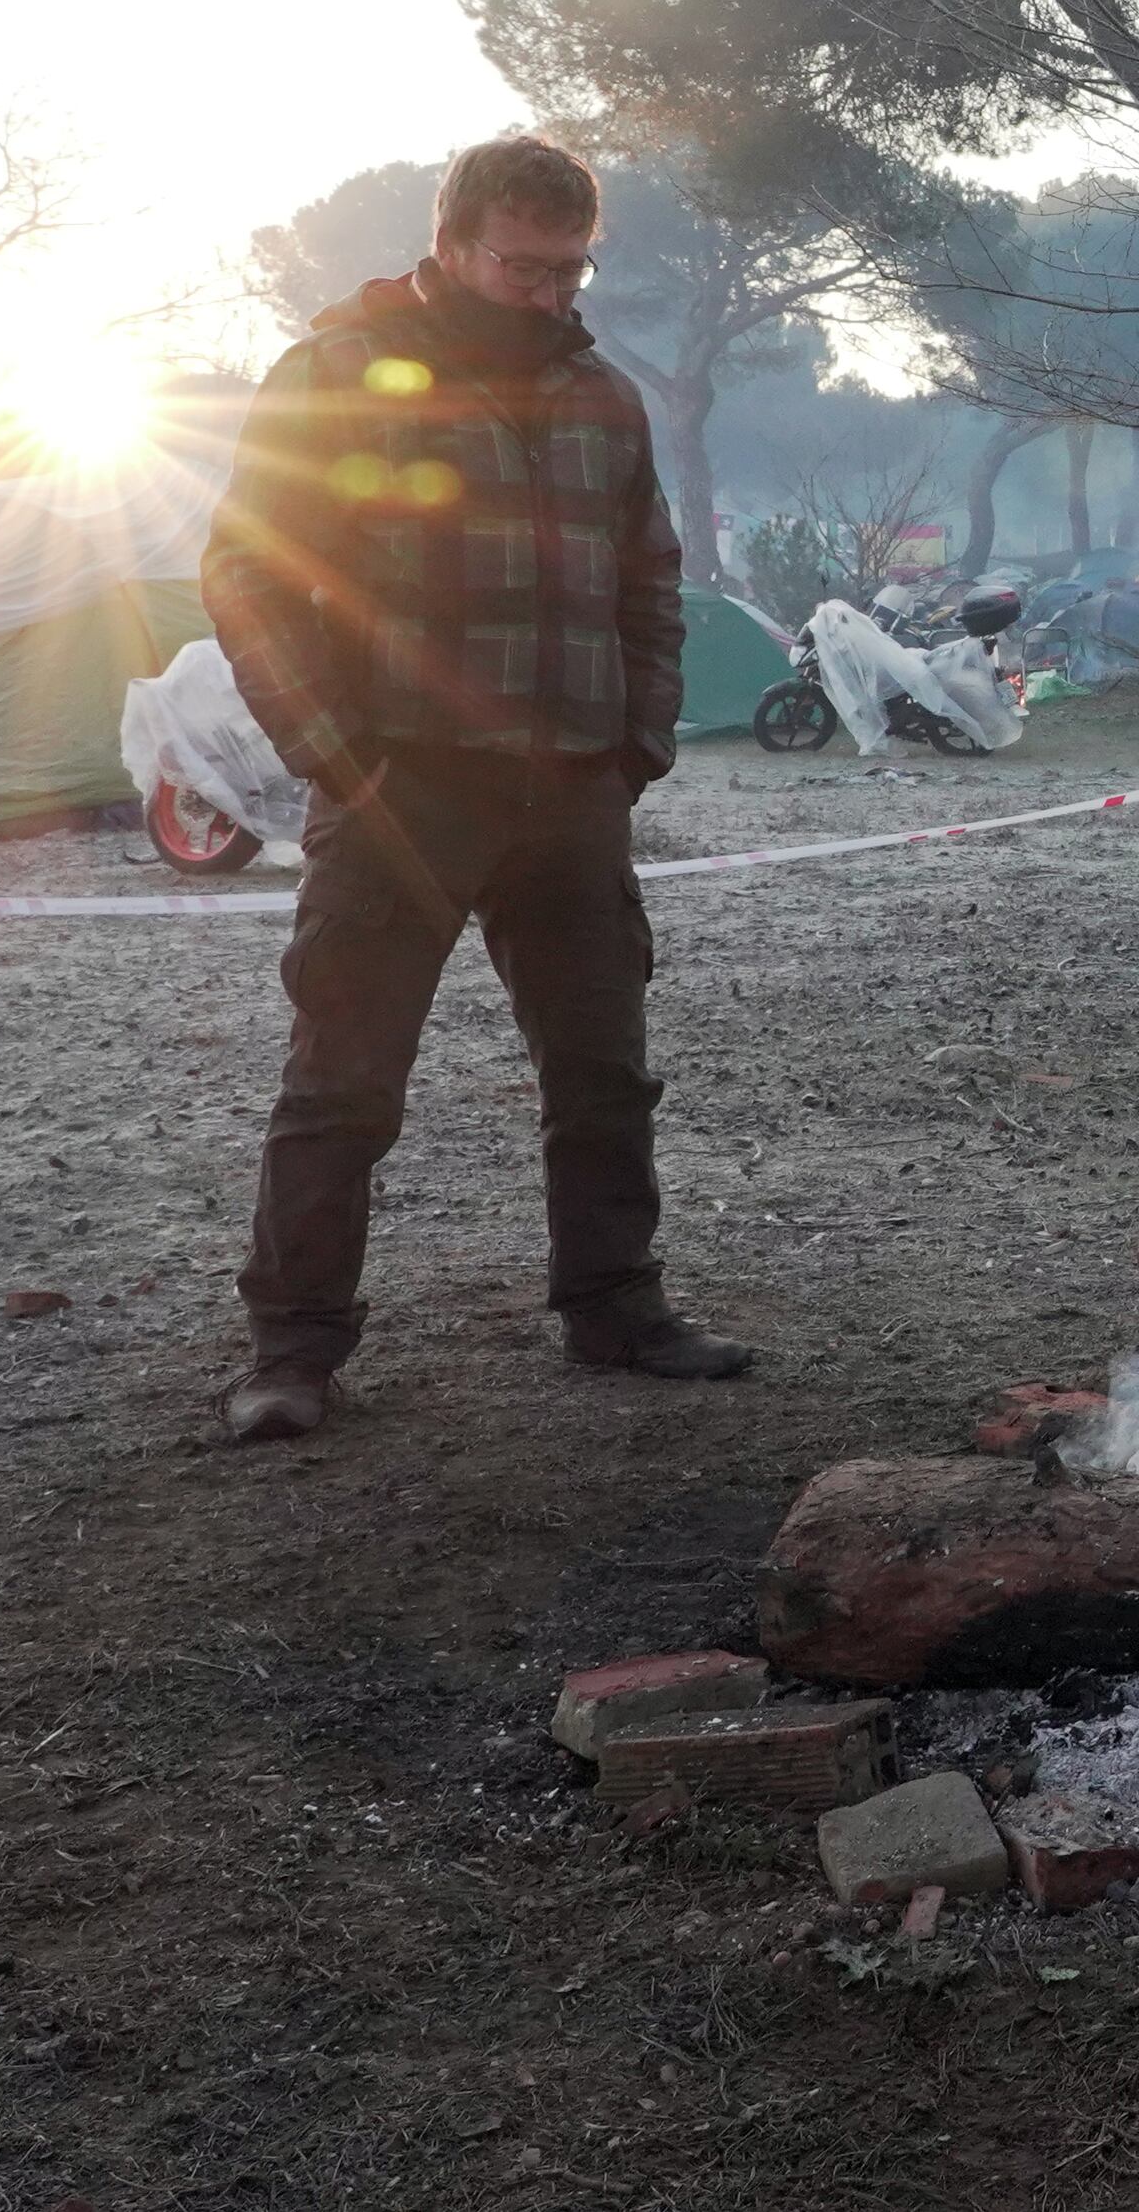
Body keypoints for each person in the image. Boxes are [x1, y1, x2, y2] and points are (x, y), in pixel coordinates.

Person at [197, 133, 746, 1442]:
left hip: (571, 790)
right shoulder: (334, 375)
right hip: (401, 788)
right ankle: (292, 1351)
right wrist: (335, 751)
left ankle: (617, 1305)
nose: (553, 291)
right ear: (450, 245)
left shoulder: (603, 398)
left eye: (571, 268)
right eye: (525, 266)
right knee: (345, 1080)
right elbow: (249, 572)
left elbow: (649, 583)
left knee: (606, 1071)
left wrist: (634, 749)